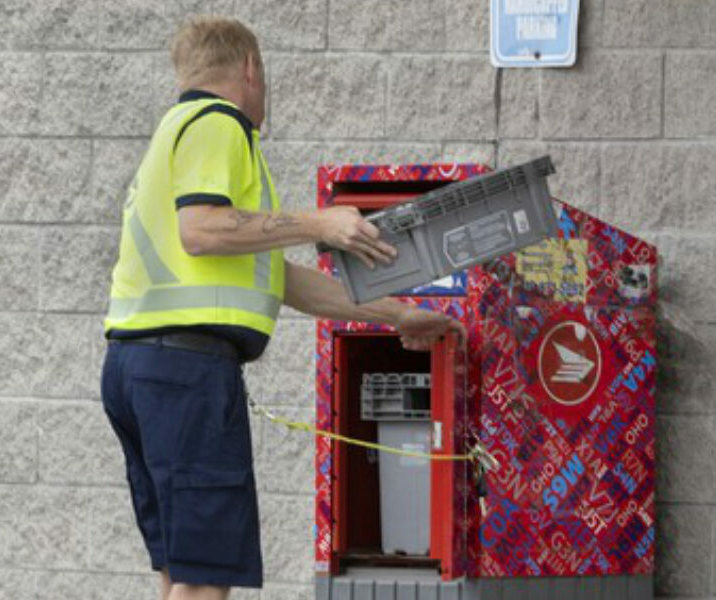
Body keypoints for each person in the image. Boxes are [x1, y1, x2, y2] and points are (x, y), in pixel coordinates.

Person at [99, 15, 466, 600]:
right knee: (204, 577)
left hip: (141, 370)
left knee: (179, 569)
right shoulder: (218, 124)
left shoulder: (172, 136)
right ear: (249, 69)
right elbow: (203, 229)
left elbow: (282, 281)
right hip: (185, 374)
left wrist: (398, 316)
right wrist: (318, 222)